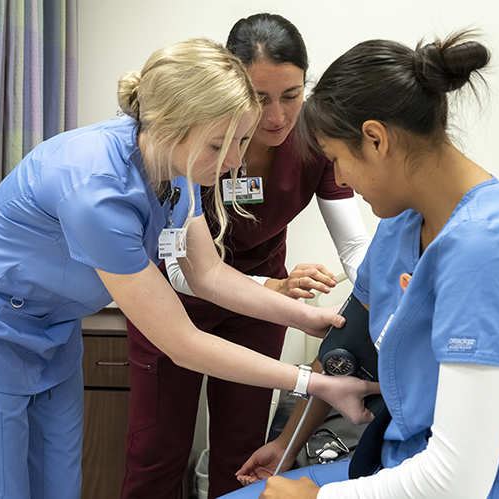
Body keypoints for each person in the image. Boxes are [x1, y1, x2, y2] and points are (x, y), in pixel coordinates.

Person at [0, 38, 376, 499]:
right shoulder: (96, 190)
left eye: (242, 141)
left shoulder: (180, 166)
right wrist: (313, 383)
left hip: (53, 336)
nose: (235, 162)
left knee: (58, 488)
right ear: (173, 128)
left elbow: (207, 275)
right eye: (221, 145)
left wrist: (307, 317)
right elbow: (182, 342)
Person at [223, 30, 499, 499]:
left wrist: (316, 497)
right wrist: (286, 445)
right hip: (397, 463)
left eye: (338, 160)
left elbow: (458, 480)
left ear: (376, 139)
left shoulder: (491, 252)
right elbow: (350, 344)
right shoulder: (403, 220)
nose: (338, 177)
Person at [121, 14, 372, 499]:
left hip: (257, 313)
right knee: (157, 451)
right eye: (259, 98)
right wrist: (276, 290)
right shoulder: (197, 136)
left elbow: (354, 245)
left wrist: (374, 295)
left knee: (241, 454)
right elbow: (183, 268)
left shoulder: (316, 140)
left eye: (291, 95)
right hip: (173, 299)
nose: (277, 117)